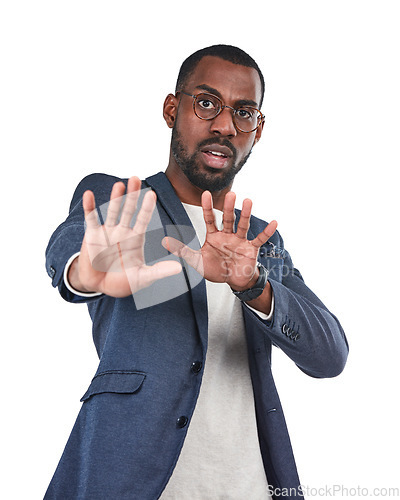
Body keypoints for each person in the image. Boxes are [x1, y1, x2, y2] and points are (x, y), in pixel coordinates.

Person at [44, 44, 349, 499]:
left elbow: (330, 355)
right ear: (172, 109)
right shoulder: (129, 204)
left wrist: (255, 286)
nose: (225, 125)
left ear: (258, 129)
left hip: (250, 486)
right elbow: (73, 249)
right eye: (206, 103)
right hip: (129, 481)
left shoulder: (260, 242)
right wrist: (85, 274)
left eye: (244, 112)